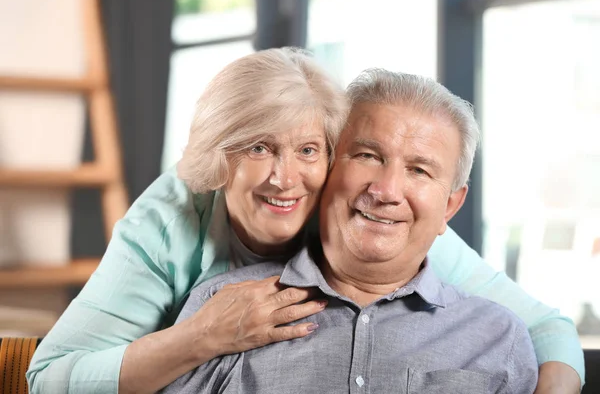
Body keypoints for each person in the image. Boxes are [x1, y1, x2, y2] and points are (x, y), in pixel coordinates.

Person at [26, 49, 583, 394]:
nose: (284, 178)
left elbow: (546, 331)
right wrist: (199, 338)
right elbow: (49, 379)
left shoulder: (372, 214)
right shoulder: (173, 220)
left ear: (331, 155)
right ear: (219, 158)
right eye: (259, 148)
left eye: (309, 151)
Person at [161, 69, 539, 393]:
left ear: (451, 206)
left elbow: (555, 332)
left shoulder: (498, 339)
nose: (386, 191)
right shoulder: (220, 309)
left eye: (419, 170)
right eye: (367, 156)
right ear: (326, 168)